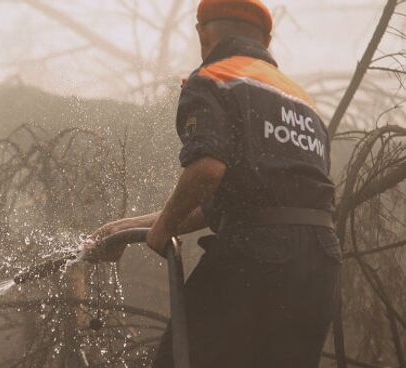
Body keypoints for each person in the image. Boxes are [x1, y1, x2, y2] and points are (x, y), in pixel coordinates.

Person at [88, 0, 342, 367]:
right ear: (266, 40)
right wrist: (127, 227)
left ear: (202, 34)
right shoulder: (301, 101)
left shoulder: (213, 79)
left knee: (182, 360)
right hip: (320, 263)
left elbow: (206, 170)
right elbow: (228, 201)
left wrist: (163, 230)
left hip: (256, 254)